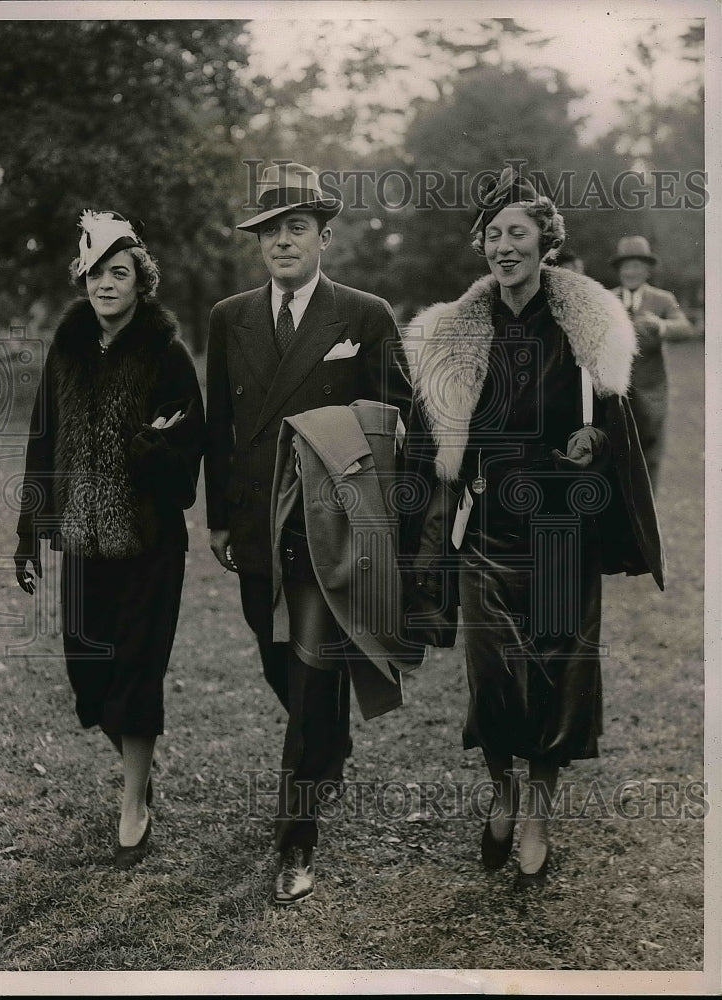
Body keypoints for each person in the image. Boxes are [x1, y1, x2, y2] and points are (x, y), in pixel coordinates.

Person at [403, 167, 664, 889]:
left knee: (555, 670)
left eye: (518, 232)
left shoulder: (586, 325)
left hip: (558, 526)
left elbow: (628, 424)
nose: (504, 245)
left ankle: (541, 813)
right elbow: (431, 444)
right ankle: (502, 792)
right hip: (485, 524)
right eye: (493, 234)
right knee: (492, 677)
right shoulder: (460, 331)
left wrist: (596, 445)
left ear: (547, 242)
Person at [205, 162, 413, 903]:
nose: (282, 242)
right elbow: (219, 427)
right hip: (257, 525)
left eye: (296, 227)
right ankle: (329, 743)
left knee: (314, 670)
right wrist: (221, 517)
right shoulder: (230, 317)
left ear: (325, 235)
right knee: (280, 670)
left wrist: (384, 526)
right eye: (269, 231)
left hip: (332, 533)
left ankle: (296, 840)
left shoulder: (363, 314)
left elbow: (401, 425)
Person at [14, 210, 204, 869]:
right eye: (96, 272)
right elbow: (41, 441)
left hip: (151, 545)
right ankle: (136, 766)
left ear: (140, 280)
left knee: (136, 674)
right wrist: (29, 531)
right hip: (82, 544)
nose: (105, 283)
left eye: (119, 272)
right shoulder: (65, 350)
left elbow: (186, 472)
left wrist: (151, 447)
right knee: (90, 680)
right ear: (83, 277)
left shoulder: (168, 354)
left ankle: (133, 807)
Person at [610, 235, 692, 487]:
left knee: (649, 456)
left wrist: (661, 325)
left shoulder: (662, 299)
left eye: (636, 266)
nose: (630, 272)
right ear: (619, 270)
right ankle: (620, 518)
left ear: (647, 270)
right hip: (614, 391)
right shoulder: (607, 299)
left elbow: (685, 328)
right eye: (626, 266)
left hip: (651, 391)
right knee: (613, 454)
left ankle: (647, 519)